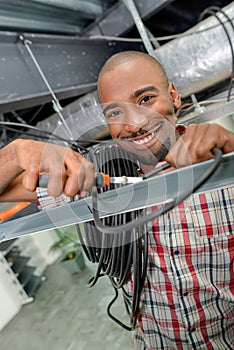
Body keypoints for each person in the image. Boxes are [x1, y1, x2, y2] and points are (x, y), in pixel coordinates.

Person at [0, 51, 234, 349]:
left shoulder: (223, 167)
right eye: (115, 113)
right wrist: (14, 152)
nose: (134, 124)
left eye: (146, 99)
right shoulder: (95, 183)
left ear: (173, 96)